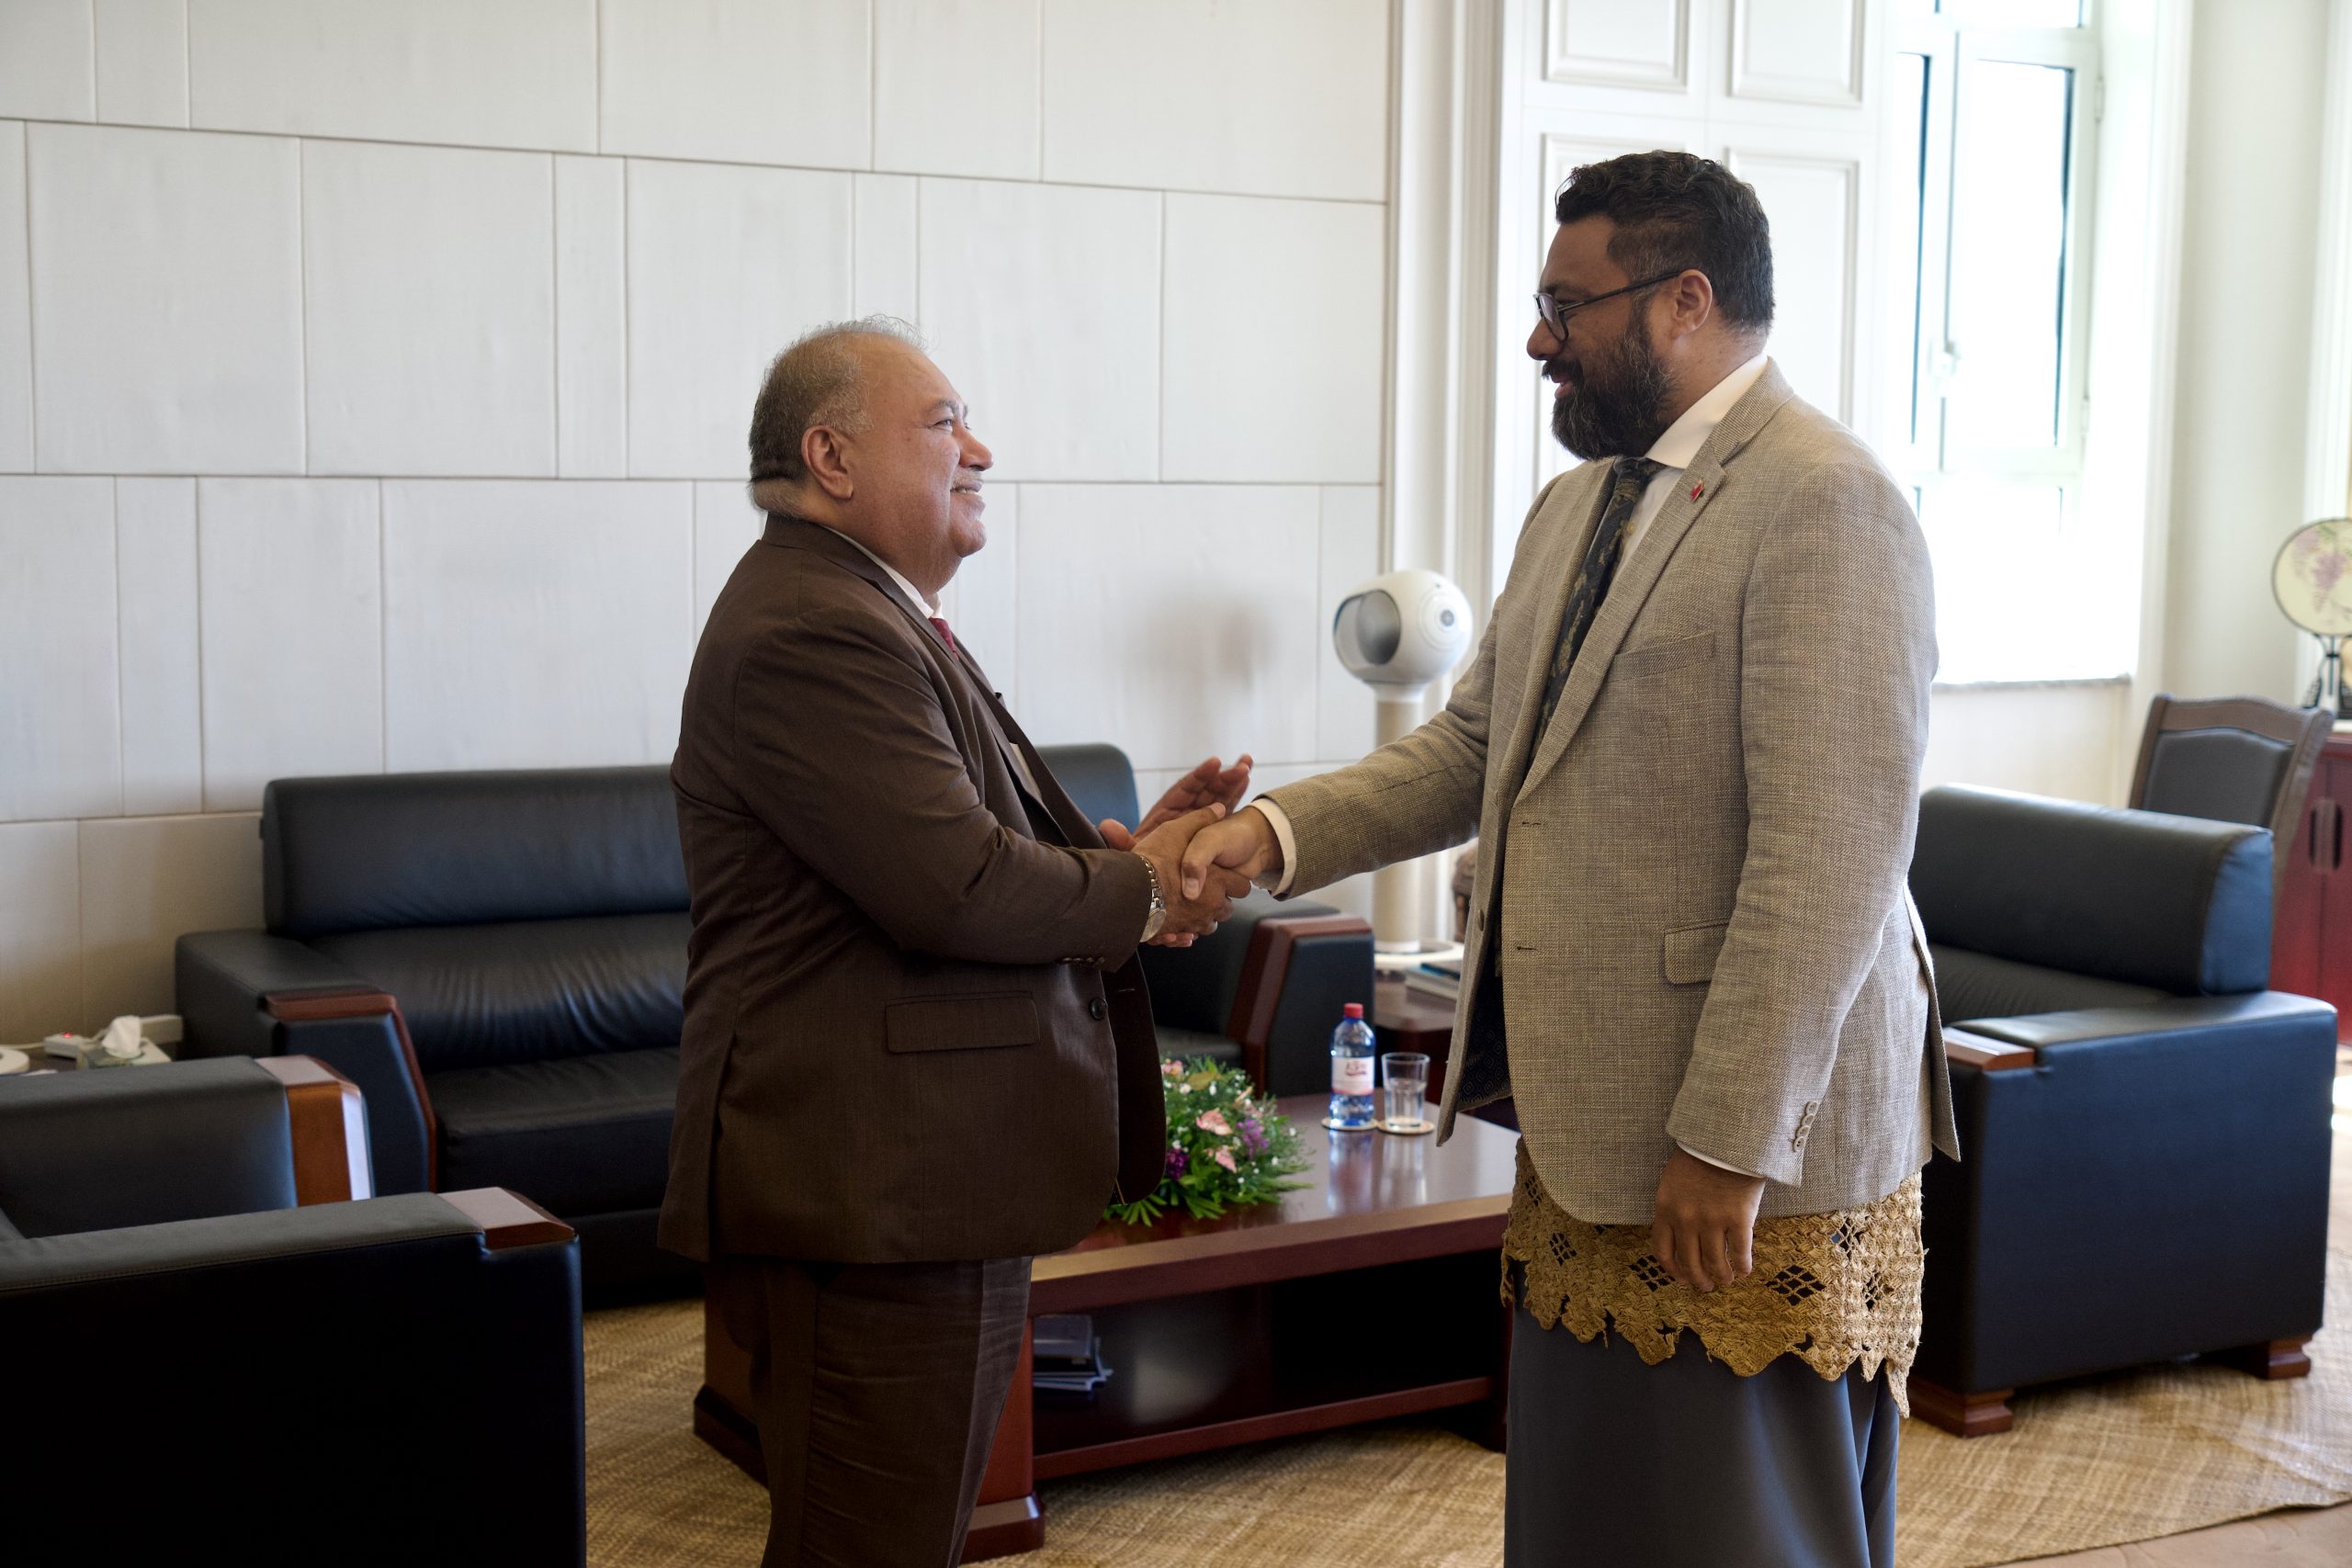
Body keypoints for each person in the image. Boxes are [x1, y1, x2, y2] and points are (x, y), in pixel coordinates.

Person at [1181, 152, 1958, 1568]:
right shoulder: (1578, 507)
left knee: (1734, 1524)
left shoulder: (1825, 501)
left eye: (1563, 303)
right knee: (1597, 1504)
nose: (1540, 338)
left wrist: (1726, 1140)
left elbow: (1829, 861)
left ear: (1684, 301)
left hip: (1741, 1142)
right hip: (1594, 1119)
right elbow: (1470, 751)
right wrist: (1269, 835)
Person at [662, 317, 1252, 1568]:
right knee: (867, 1541)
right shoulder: (814, 630)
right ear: (832, 456)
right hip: (874, 1185)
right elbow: (958, 887)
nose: (978, 450)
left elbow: (953, 851)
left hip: (923, 1177)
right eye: (942, 426)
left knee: (907, 1532)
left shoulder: (871, 606)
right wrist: (1142, 890)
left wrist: (1128, 860)